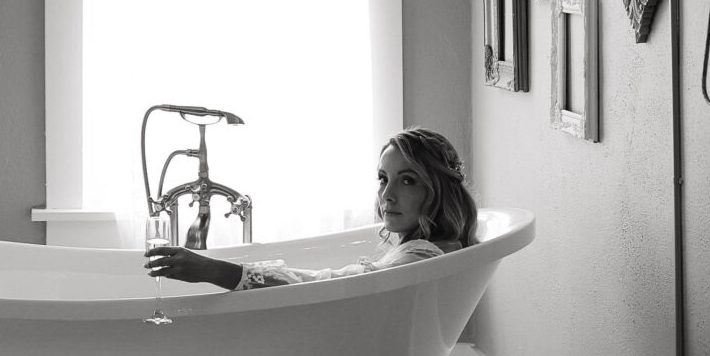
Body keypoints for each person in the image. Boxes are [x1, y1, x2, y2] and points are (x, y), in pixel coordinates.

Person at [144, 126, 478, 291]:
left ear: (437, 188)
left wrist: (215, 272)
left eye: (407, 181)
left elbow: (319, 285)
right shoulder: (423, 247)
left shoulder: (418, 258)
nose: (387, 195)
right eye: (382, 178)